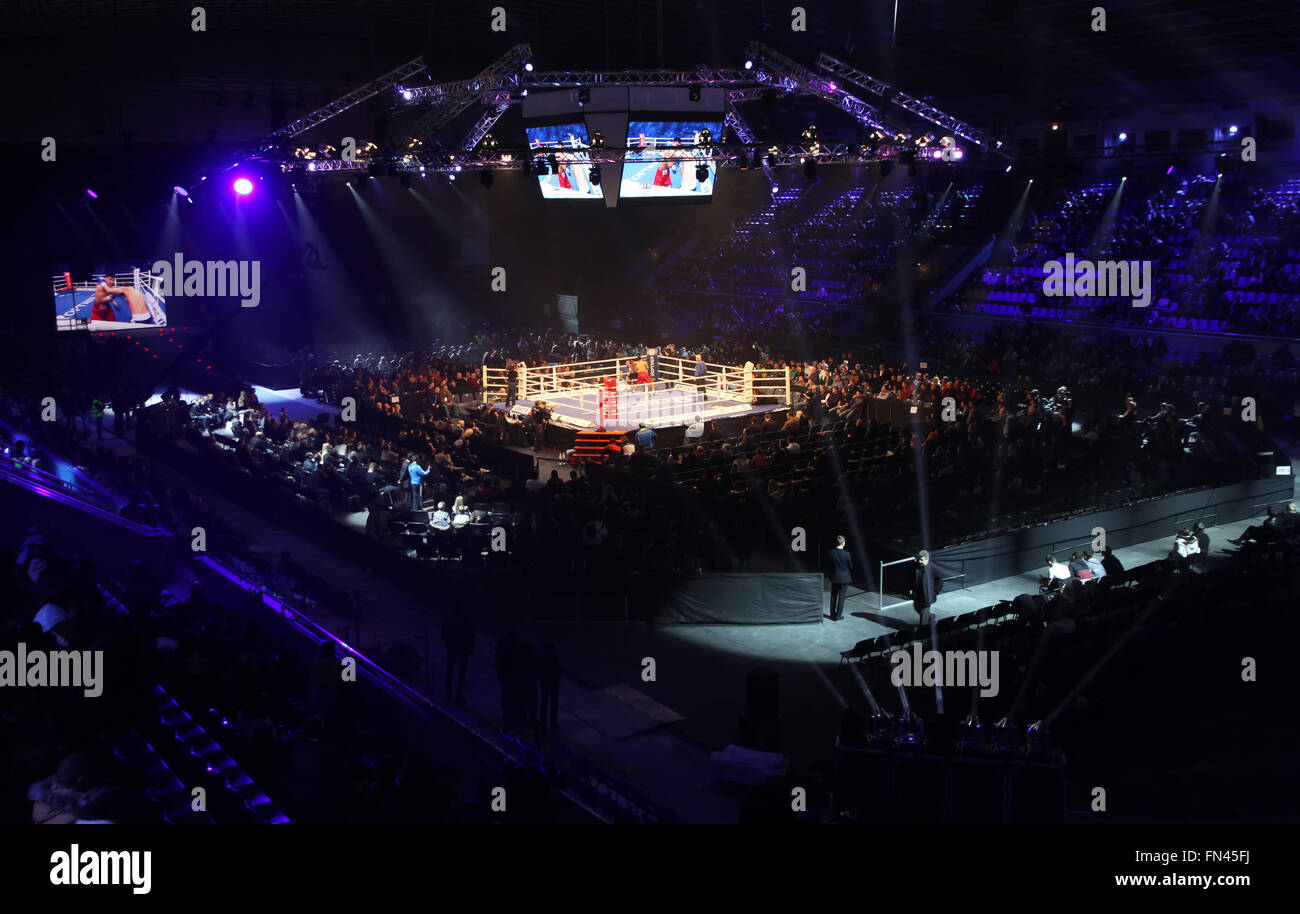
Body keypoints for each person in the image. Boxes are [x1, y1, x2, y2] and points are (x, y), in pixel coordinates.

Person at [441, 606, 475, 706]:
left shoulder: (450, 621)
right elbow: (470, 635)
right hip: (462, 650)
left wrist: (448, 645)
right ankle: (458, 696)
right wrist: (470, 648)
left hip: (453, 650)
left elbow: (443, 634)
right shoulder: (465, 621)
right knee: (460, 674)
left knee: (450, 672)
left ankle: (449, 695)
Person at [910, 550, 942, 625]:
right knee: (917, 607)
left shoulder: (932, 569)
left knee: (923, 617)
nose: (919, 561)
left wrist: (933, 592)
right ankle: (930, 617)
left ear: (927, 560)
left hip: (927, 597)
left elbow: (939, 582)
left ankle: (923, 633)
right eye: (919, 559)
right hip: (918, 595)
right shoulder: (916, 567)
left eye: (922, 560)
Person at [828, 534, 852, 621]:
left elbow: (829, 566)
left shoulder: (831, 553)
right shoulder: (847, 554)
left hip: (835, 577)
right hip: (844, 578)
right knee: (842, 597)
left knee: (833, 596)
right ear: (843, 543)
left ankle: (832, 614)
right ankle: (838, 616)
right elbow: (850, 566)